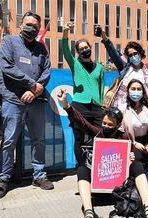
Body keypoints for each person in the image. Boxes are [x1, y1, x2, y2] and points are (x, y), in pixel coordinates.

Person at [57, 88, 148, 218]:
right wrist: (67, 105)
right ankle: (89, 213)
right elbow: (81, 121)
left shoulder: (124, 137)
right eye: (104, 123)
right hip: (99, 186)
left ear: (118, 126)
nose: (106, 127)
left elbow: (129, 157)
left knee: (137, 165)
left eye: (110, 125)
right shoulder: (97, 132)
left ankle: (147, 208)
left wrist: (130, 158)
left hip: (118, 189)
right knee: (81, 169)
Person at [0, 11, 53, 199]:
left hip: (35, 101)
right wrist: (31, 83)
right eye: (28, 24)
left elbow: (46, 72)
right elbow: (6, 66)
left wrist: (34, 90)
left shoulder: (42, 48)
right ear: (20, 25)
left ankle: (39, 175)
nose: (31, 29)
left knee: (39, 140)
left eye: (35, 26)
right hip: (12, 100)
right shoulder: (9, 42)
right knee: (9, 141)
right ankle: (3, 180)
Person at [62, 22, 105, 166]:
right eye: (81, 49)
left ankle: (98, 166)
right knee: (79, 138)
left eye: (86, 47)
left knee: (100, 136)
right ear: (78, 52)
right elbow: (65, 50)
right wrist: (66, 32)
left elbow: (101, 86)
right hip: (79, 105)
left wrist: (101, 103)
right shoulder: (75, 64)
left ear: (90, 48)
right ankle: (81, 168)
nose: (84, 50)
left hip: (97, 107)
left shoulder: (99, 67)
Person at [100, 29, 148, 111]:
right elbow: (113, 54)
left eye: (135, 53)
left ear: (140, 53)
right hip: (124, 107)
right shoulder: (124, 68)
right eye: (130, 55)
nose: (133, 56)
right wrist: (105, 38)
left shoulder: (147, 73)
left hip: (142, 108)